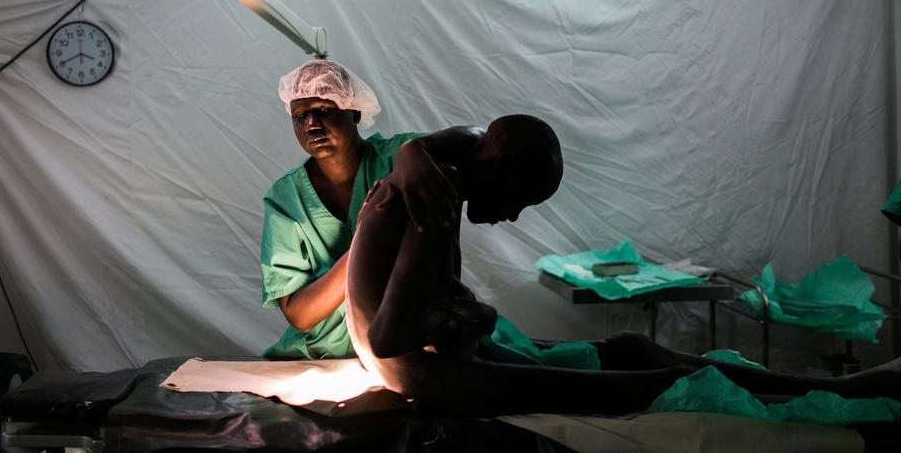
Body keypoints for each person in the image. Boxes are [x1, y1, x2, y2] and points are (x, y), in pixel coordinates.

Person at [345, 114, 901, 417]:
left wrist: (459, 309)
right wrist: (480, 316)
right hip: (428, 375)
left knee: (633, 348)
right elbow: (393, 335)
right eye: (519, 198)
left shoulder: (442, 163)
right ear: (498, 167)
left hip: (433, 357)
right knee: (665, 380)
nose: (512, 216)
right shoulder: (434, 199)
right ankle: (837, 397)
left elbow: (467, 135)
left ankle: (818, 386)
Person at [260, 59, 479, 359]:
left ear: (354, 112)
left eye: (325, 110)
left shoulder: (398, 157)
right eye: (300, 115)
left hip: (410, 341)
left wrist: (418, 151)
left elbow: (479, 137)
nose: (311, 124)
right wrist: (367, 239)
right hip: (329, 353)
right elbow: (300, 314)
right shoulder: (286, 199)